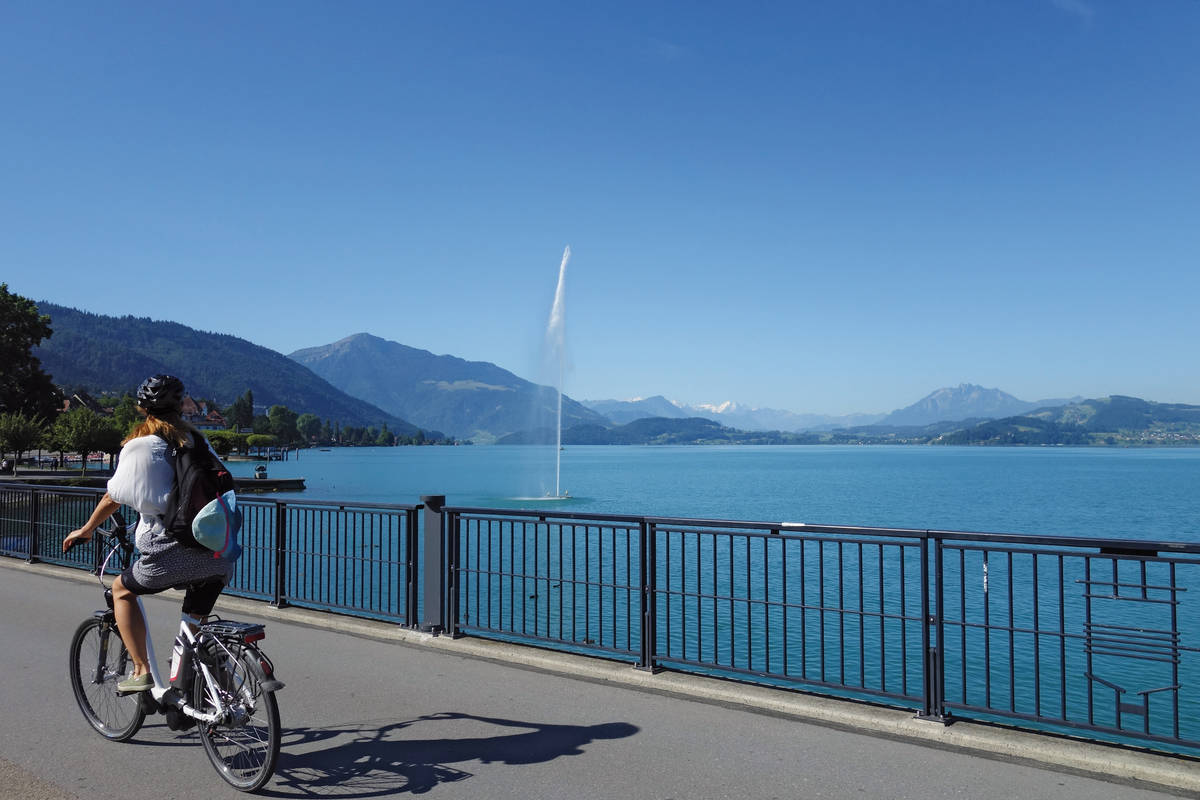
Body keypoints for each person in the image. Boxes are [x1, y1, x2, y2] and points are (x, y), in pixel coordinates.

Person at [62, 374, 234, 693]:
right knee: (194, 624)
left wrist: (87, 529)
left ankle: (142, 670)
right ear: (182, 408)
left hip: (170, 551)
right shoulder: (198, 442)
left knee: (122, 590)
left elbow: (114, 496)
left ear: (143, 410)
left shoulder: (140, 447)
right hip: (218, 551)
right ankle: (198, 694)